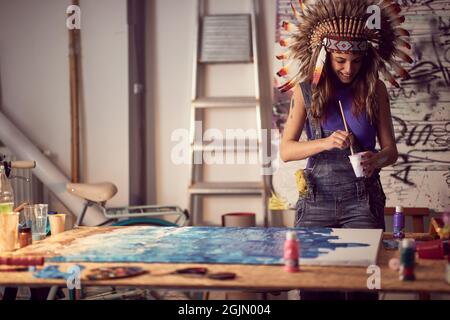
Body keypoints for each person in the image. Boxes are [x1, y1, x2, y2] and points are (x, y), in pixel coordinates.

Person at [276, 0, 412, 300]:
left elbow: (391, 150)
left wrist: (376, 159)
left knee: (364, 286)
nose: (348, 68)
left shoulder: (375, 89)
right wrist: (325, 142)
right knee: (316, 289)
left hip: (362, 202)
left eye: (356, 60)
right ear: (325, 56)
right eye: (340, 60)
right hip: (316, 201)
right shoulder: (305, 91)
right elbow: (286, 151)